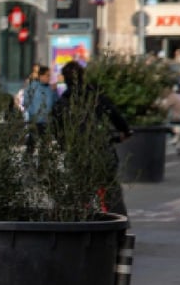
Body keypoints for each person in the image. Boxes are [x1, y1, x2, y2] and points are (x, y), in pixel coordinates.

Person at [50, 61, 132, 215]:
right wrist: (125, 131)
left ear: (65, 79)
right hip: (102, 150)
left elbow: (56, 130)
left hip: (77, 154)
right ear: (83, 76)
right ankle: (119, 230)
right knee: (111, 192)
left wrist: (65, 147)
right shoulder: (97, 97)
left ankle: (73, 225)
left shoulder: (61, 104)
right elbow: (116, 117)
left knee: (78, 193)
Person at [22, 65, 55, 134]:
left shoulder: (51, 89)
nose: (49, 78)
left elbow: (55, 103)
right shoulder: (32, 87)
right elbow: (26, 102)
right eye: (47, 75)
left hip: (48, 123)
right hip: (35, 123)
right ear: (41, 76)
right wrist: (33, 114)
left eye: (50, 75)